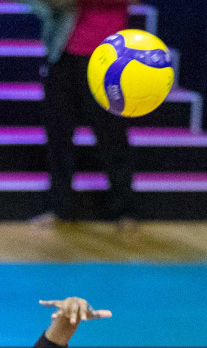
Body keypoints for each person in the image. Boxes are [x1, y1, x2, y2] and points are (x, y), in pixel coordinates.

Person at [29, 0, 135, 227]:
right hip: (62, 51)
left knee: (112, 135)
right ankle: (59, 208)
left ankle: (122, 210)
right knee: (58, 134)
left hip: (108, 57)